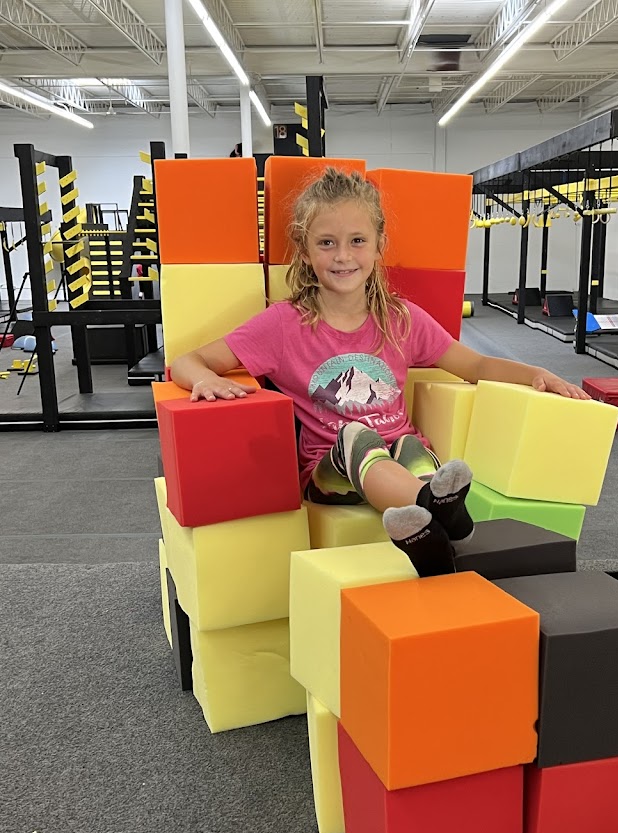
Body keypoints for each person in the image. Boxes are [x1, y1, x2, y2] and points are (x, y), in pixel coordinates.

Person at [170, 168, 590, 577]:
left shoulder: (401, 318)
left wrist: (536, 372)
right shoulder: (283, 325)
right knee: (356, 434)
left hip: (402, 461)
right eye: (327, 243)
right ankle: (439, 512)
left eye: (357, 241)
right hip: (331, 473)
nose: (343, 256)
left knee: (411, 445)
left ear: (378, 245)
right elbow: (189, 361)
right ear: (305, 250)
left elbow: (475, 365)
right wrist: (205, 379)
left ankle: (426, 534)